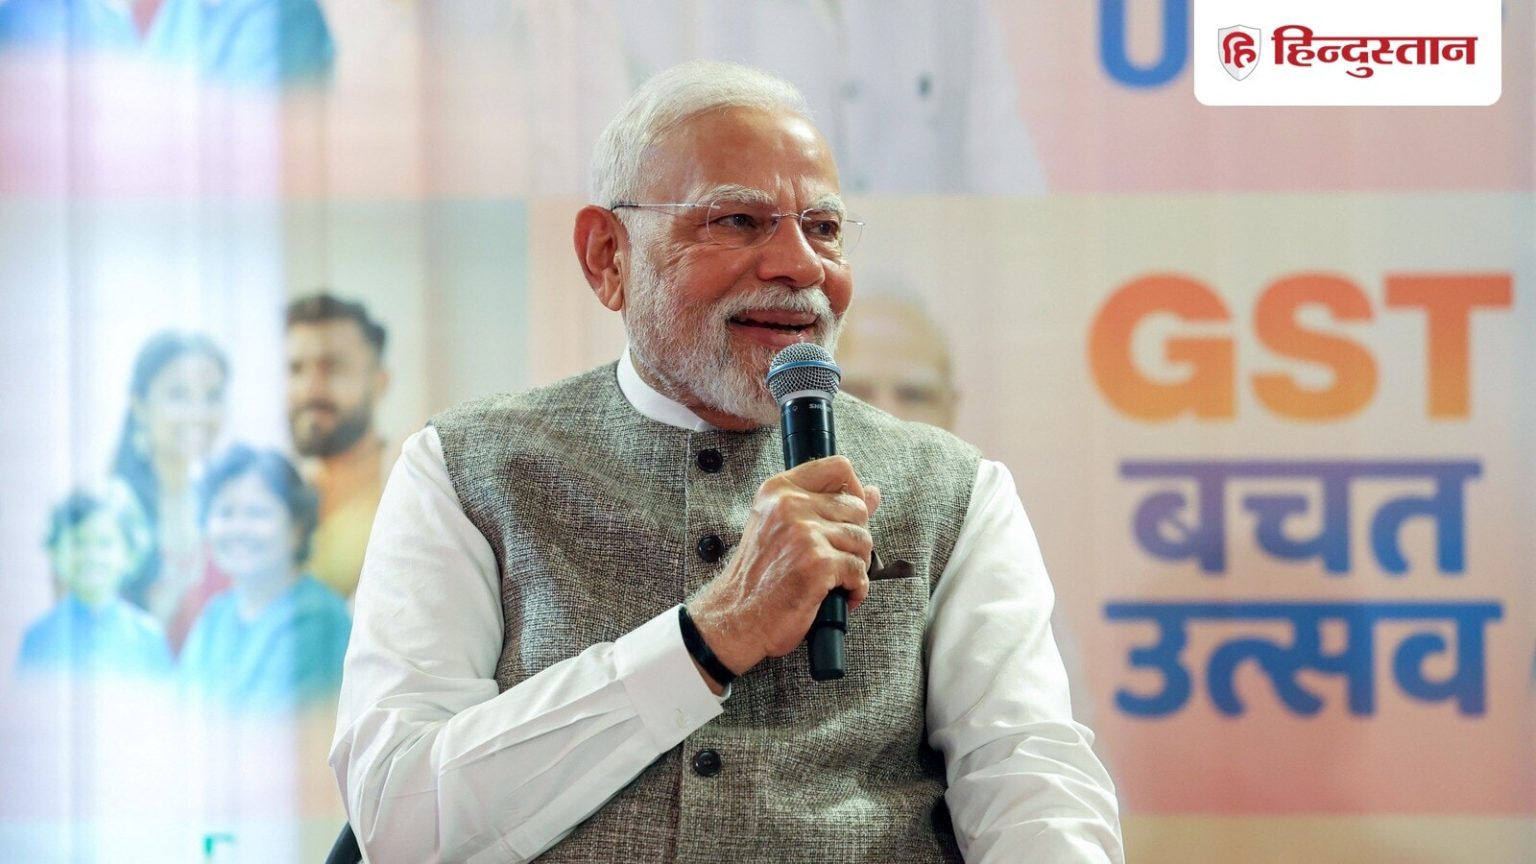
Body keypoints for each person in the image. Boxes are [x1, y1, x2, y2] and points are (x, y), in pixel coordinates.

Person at [332, 61, 1121, 862]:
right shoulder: (465, 470)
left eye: (823, 228)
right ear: (607, 256)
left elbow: (1033, 789)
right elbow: (402, 820)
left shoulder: (954, 491)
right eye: (739, 220)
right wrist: (712, 634)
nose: (801, 267)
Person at [180, 445, 351, 710]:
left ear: (297, 527)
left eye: (256, 513)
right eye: (225, 513)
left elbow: (274, 725)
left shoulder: (318, 618)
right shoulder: (217, 615)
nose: (239, 529)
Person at [110, 331, 228, 635]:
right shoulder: (107, 512)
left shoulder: (228, 509)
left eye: (212, 396)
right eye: (178, 395)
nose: (198, 413)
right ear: (139, 406)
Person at [285, 293, 392, 600]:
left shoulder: (406, 493)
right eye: (295, 369)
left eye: (331, 368)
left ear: (379, 382)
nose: (309, 389)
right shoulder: (280, 496)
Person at [16, 487, 172, 679]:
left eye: (104, 543)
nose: (91, 556)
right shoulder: (39, 637)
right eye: (78, 542)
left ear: (130, 554)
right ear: (55, 552)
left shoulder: (148, 638)